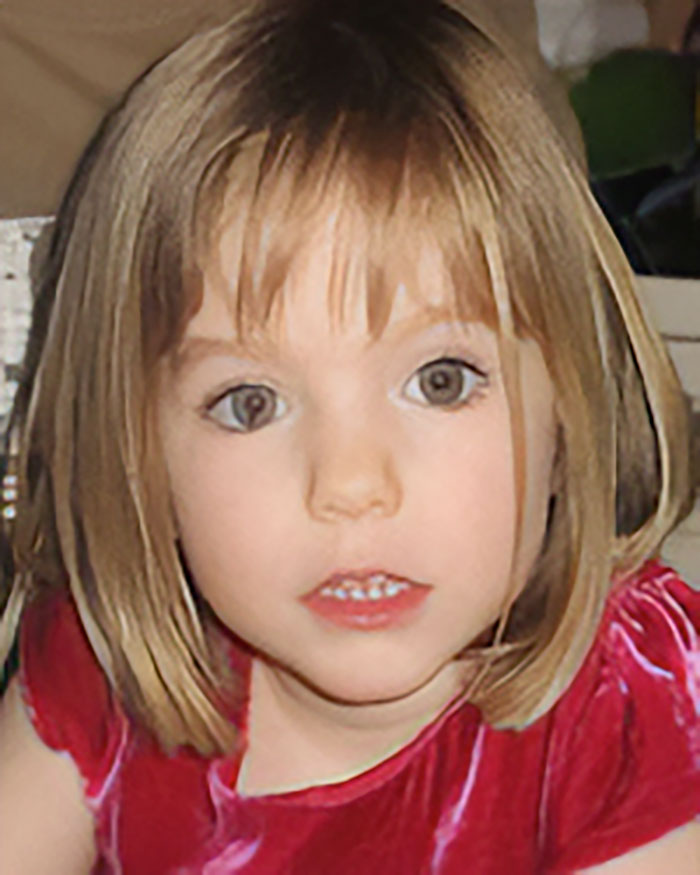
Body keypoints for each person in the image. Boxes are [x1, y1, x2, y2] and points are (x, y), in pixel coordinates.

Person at [0, 1, 697, 871]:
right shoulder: (104, 670)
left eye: (442, 382)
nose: (351, 483)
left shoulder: (634, 709)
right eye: (248, 403)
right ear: (136, 457)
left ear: (571, 412)